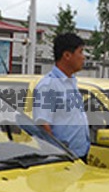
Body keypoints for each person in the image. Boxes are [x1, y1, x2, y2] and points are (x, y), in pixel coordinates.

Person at [33, 32, 91, 162]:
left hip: (79, 154)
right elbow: (43, 124)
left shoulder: (71, 82)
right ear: (67, 55)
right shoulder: (49, 86)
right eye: (80, 52)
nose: (83, 57)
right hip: (63, 157)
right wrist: (58, 152)